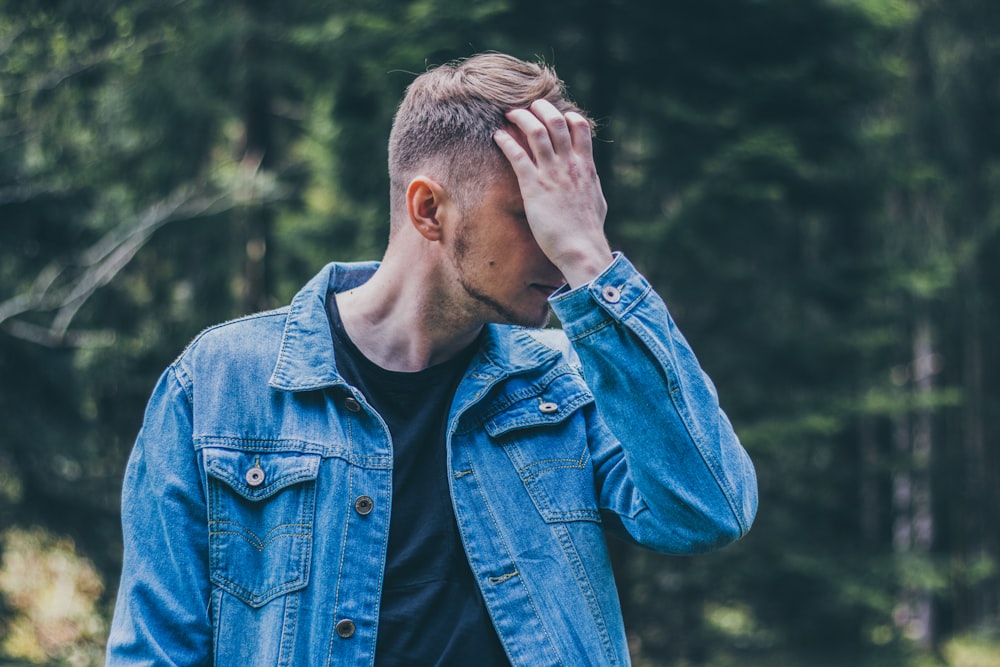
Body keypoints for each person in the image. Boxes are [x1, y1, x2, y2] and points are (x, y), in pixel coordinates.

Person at [106, 52, 758, 666]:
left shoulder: (566, 383)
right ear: (428, 209)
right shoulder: (218, 386)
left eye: (572, 219)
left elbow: (707, 509)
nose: (559, 249)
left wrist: (594, 259)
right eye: (534, 215)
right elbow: (156, 650)